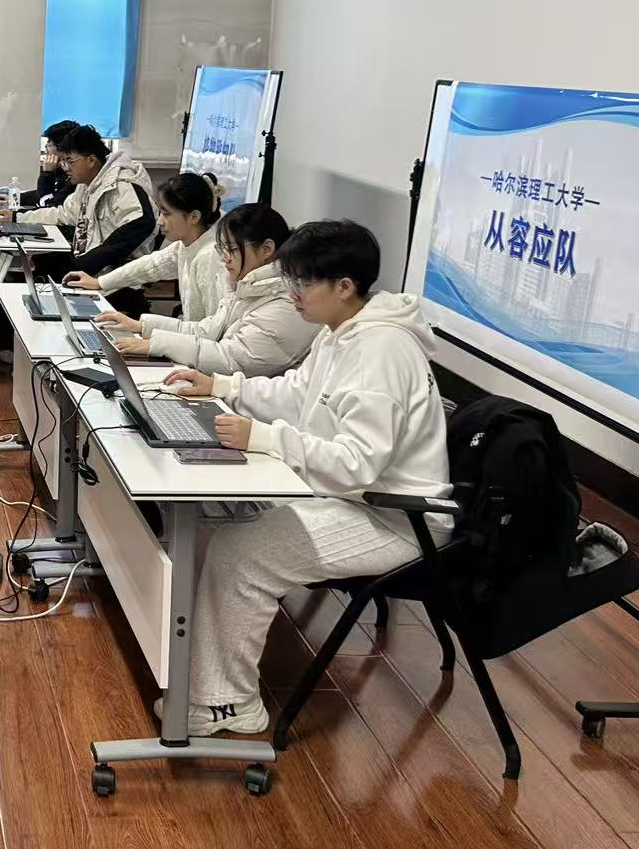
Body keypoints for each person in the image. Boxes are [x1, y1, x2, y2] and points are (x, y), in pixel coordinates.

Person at [160, 220, 451, 737]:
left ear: (344, 286)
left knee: (241, 552)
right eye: (290, 280)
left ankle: (228, 704)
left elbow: (357, 463)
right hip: (348, 495)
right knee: (207, 514)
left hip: (395, 518)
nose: (292, 294)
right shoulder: (342, 330)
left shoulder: (382, 350)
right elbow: (296, 393)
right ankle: (196, 660)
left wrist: (264, 438)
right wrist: (223, 386)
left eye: (303, 283)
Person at [94, 204, 314, 377]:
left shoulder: (285, 302)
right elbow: (208, 330)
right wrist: (141, 326)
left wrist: (157, 344)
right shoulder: (246, 283)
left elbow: (232, 361)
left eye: (231, 249)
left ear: (266, 249)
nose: (224, 258)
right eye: (222, 248)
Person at [66, 172, 226, 323]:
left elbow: (210, 331)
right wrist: (100, 282)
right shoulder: (185, 246)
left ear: (194, 217)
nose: (159, 221)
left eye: (167, 214)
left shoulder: (210, 257)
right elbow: (150, 265)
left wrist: (142, 326)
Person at [2, 124, 157, 279]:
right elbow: (63, 213)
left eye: (70, 161)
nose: (65, 168)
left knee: (37, 275)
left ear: (91, 160)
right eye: (64, 161)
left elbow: (141, 223)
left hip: (112, 276)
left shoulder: (121, 185)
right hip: (86, 265)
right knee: (31, 272)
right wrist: (17, 217)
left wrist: (87, 263)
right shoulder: (87, 184)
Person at [20, 119, 78, 209]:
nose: (46, 149)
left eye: (49, 144)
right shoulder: (61, 172)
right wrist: (16, 198)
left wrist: (47, 174)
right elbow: (49, 194)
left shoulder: (75, 176)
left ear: (61, 146)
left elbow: (46, 207)